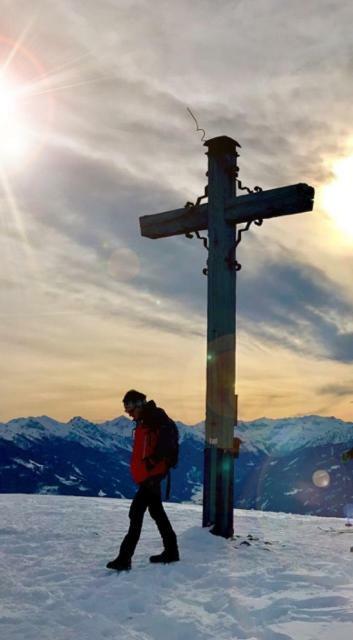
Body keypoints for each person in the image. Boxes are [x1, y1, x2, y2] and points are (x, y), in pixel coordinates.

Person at [106, 389, 179, 571]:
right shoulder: (145, 421)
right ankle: (171, 551)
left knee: (135, 514)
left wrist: (153, 465)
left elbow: (164, 446)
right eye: (126, 409)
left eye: (129, 408)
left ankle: (124, 558)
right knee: (157, 513)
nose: (128, 413)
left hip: (151, 477)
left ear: (139, 404)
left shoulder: (155, 420)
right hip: (149, 476)